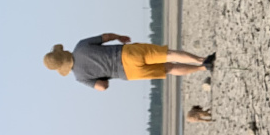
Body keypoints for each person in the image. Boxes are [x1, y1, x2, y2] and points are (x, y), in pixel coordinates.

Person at [44, 34, 214, 91]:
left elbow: (102, 87)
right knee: (167, 55)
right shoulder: (81, 46)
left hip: (127, 73)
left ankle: (201, 68)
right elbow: (106, 37)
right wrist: (119, 37)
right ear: (62, 53)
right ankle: (203, 60)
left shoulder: (80, 77)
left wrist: (104, 76)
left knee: (168, 68)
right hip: (126, 53)